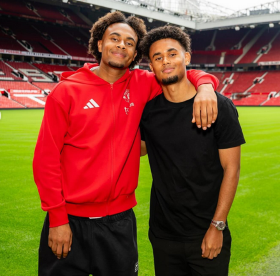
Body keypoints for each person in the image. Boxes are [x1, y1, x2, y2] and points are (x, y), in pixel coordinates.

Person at [33, 12, 219, 276]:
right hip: (69, 221)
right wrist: (57, 218)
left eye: (130, 43)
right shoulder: (66, 92)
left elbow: (180, 74)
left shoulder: (143, 84)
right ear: (100, 44)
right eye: (115, 38)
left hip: (120, 222)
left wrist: (206, 87)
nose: (121, 45)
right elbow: (45, 159)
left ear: (135, 55)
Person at [140, 26, 245, 276]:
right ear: (151, 67)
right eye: (157, 57)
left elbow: (232, 169)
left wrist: (217, 226)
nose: (165, 61)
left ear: (186, 58)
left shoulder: (221, 107)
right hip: (163, 235)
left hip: (207, 231)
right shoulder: (148, 113)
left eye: (172, 53)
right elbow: (136, 150)